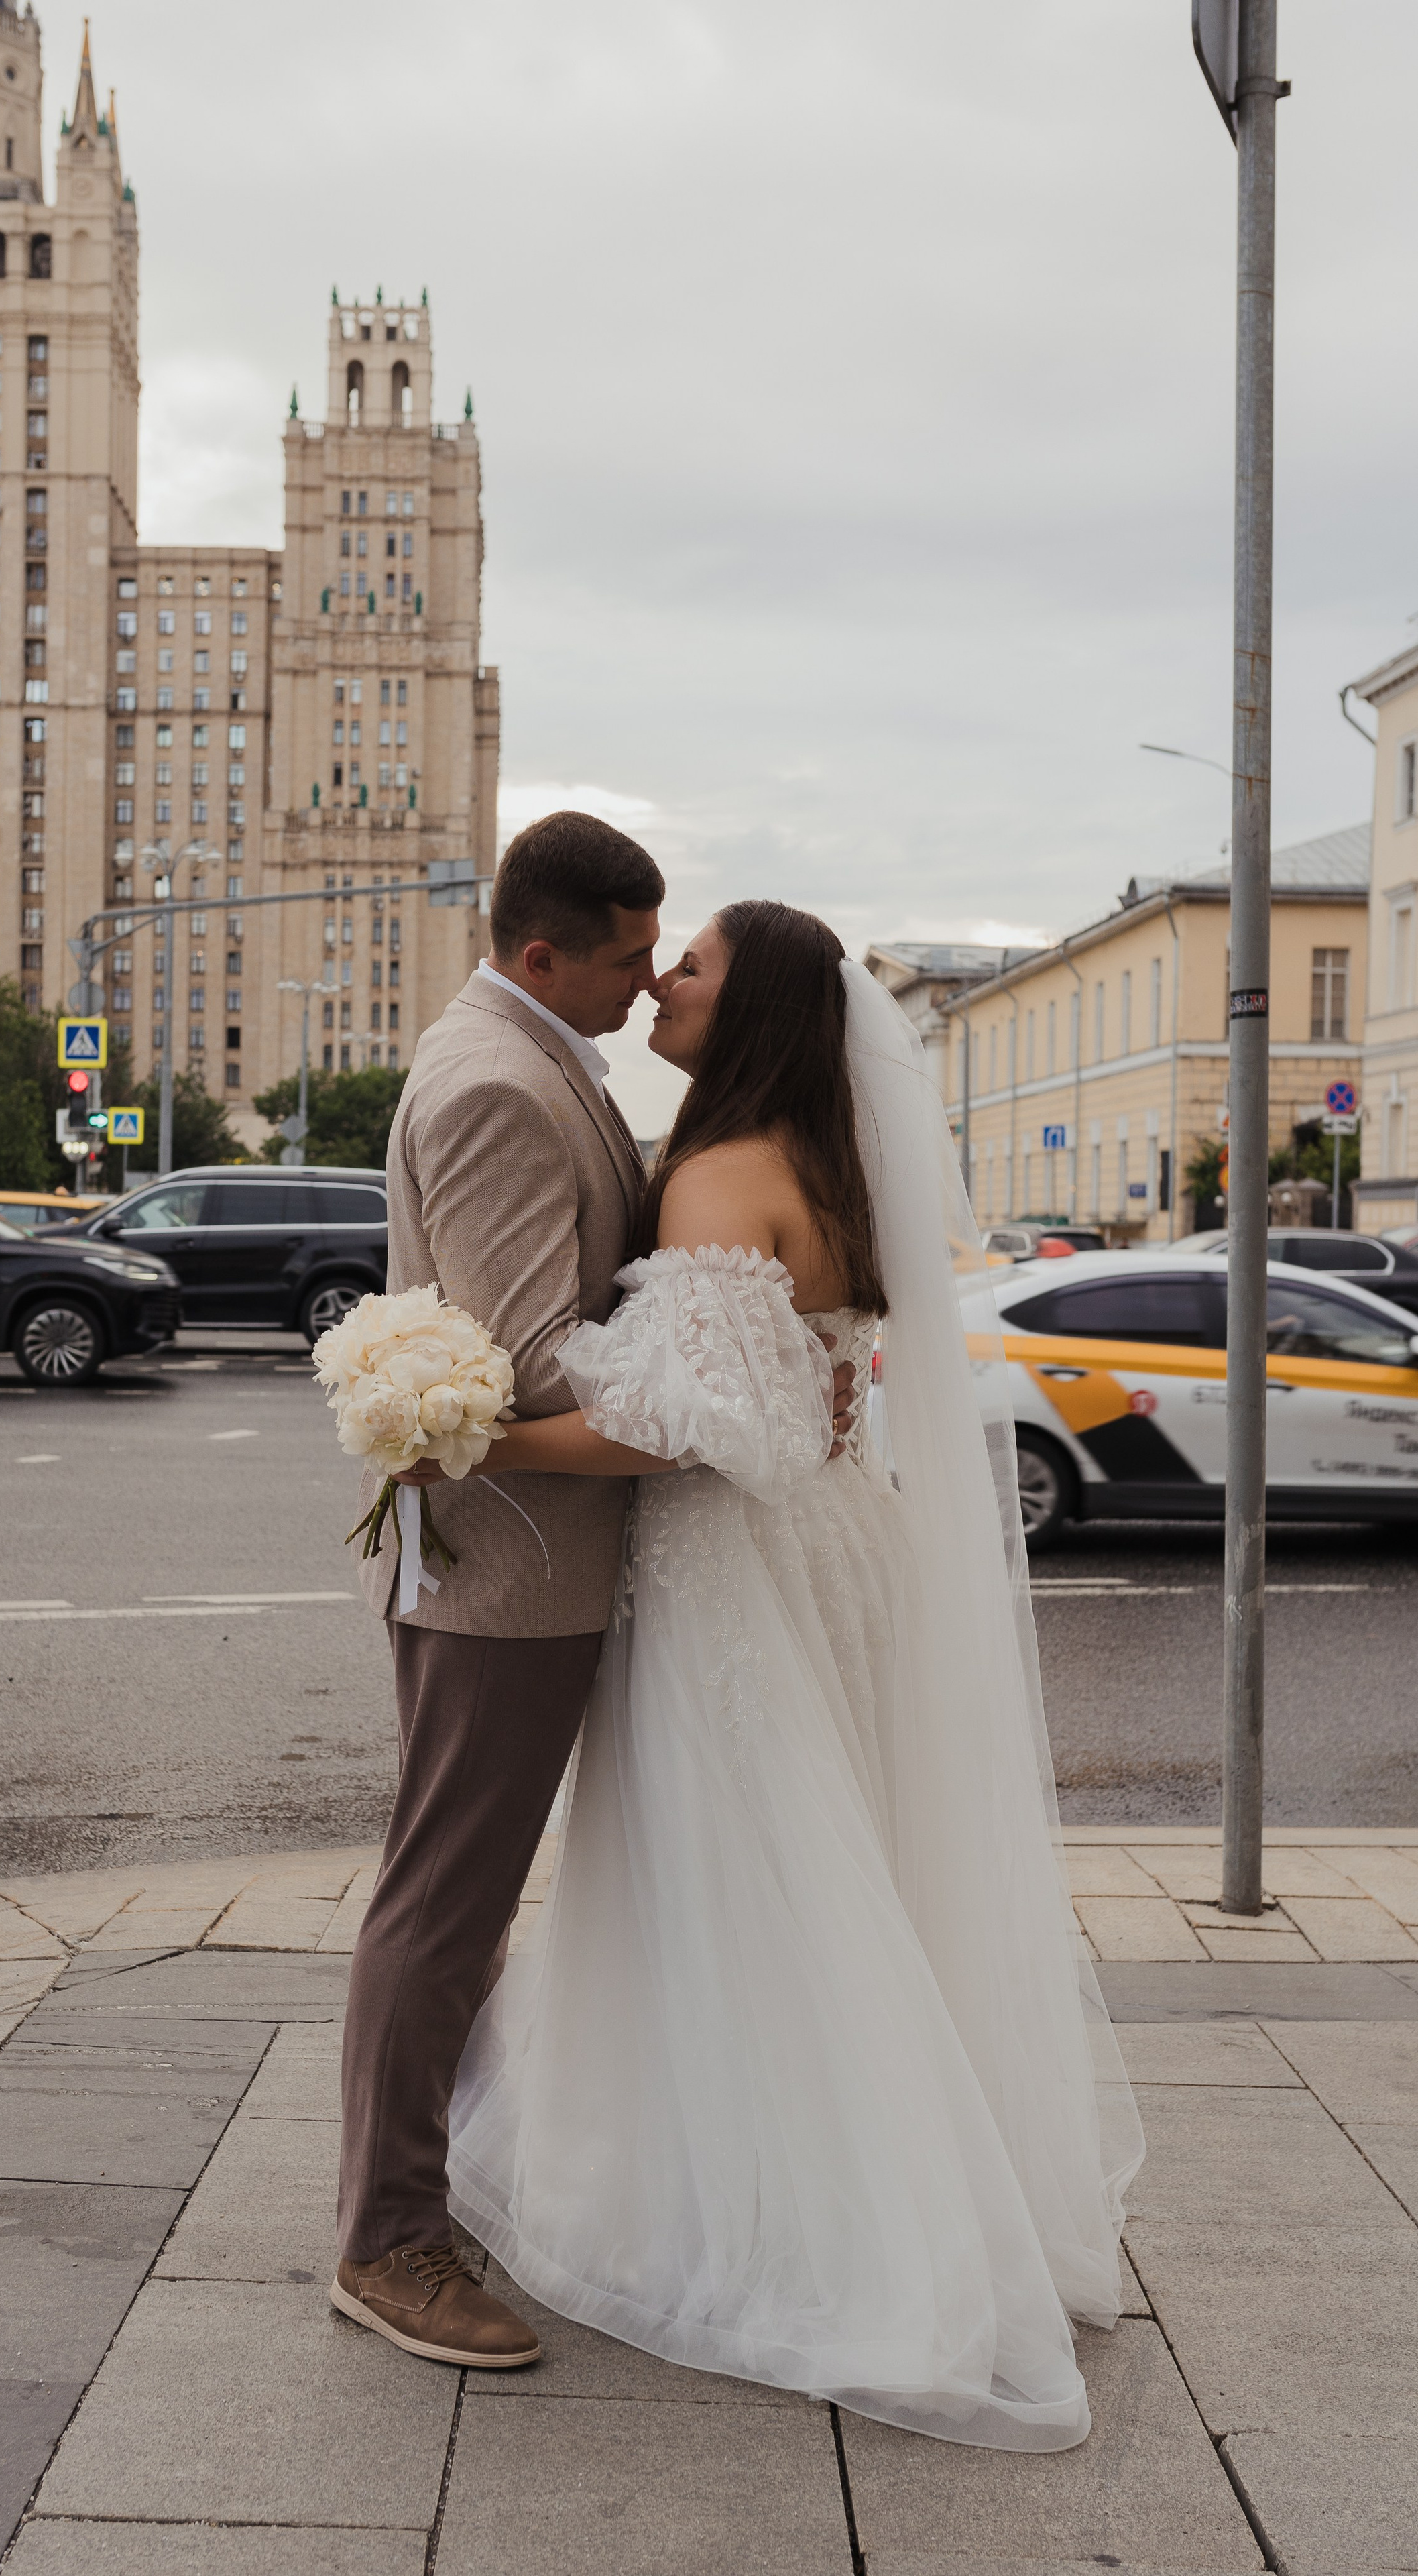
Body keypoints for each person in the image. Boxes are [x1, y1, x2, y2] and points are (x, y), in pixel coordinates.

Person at [437, 899, 1146, 2449]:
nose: (661, 980)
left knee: (729, 1878)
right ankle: (891, 2172)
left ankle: (783, 2214)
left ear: (747, 1005)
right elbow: (799, 1389)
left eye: (689, 965)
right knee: (839, 1865)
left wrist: (473, 1438)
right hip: (839, 1542)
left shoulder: (717, 1170)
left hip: (733, 1572)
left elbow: (687, 1427)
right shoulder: (829, 1166)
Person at [331, 822, 866, 2369]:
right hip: (508, 1559)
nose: (648, 984)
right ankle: (385, 2239)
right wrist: (734, 1387)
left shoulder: (542, 1056)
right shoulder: (497, 1081)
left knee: (468, 1901)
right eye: (634, 957)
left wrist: (763, 1368)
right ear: (541, 954)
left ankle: (441, 2181)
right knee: (444, 1902)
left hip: (557, 1552)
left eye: (671, 959)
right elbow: (523, 1357)